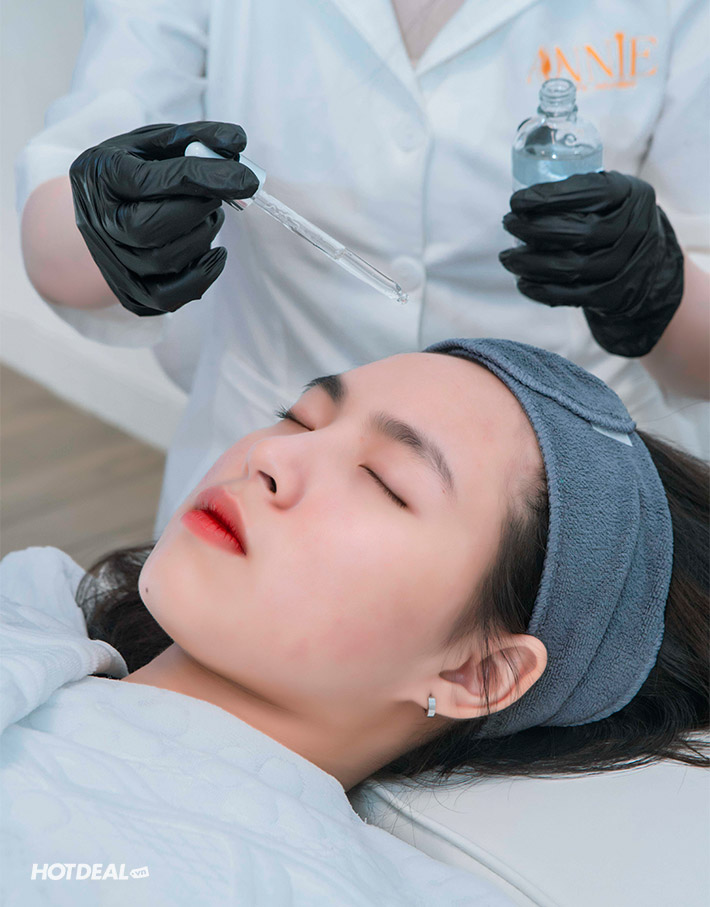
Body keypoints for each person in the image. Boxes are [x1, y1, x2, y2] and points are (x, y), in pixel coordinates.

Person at [1, 338, 708, 905]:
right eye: (299, 417)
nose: (271, 453)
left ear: (478, 671)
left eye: (383, 481)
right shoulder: (37, 596)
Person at [17, 0, 710, 545]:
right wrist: (107, 226)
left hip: (557, 507)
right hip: (259, 464)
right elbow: (63, 222)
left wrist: (658, 288)